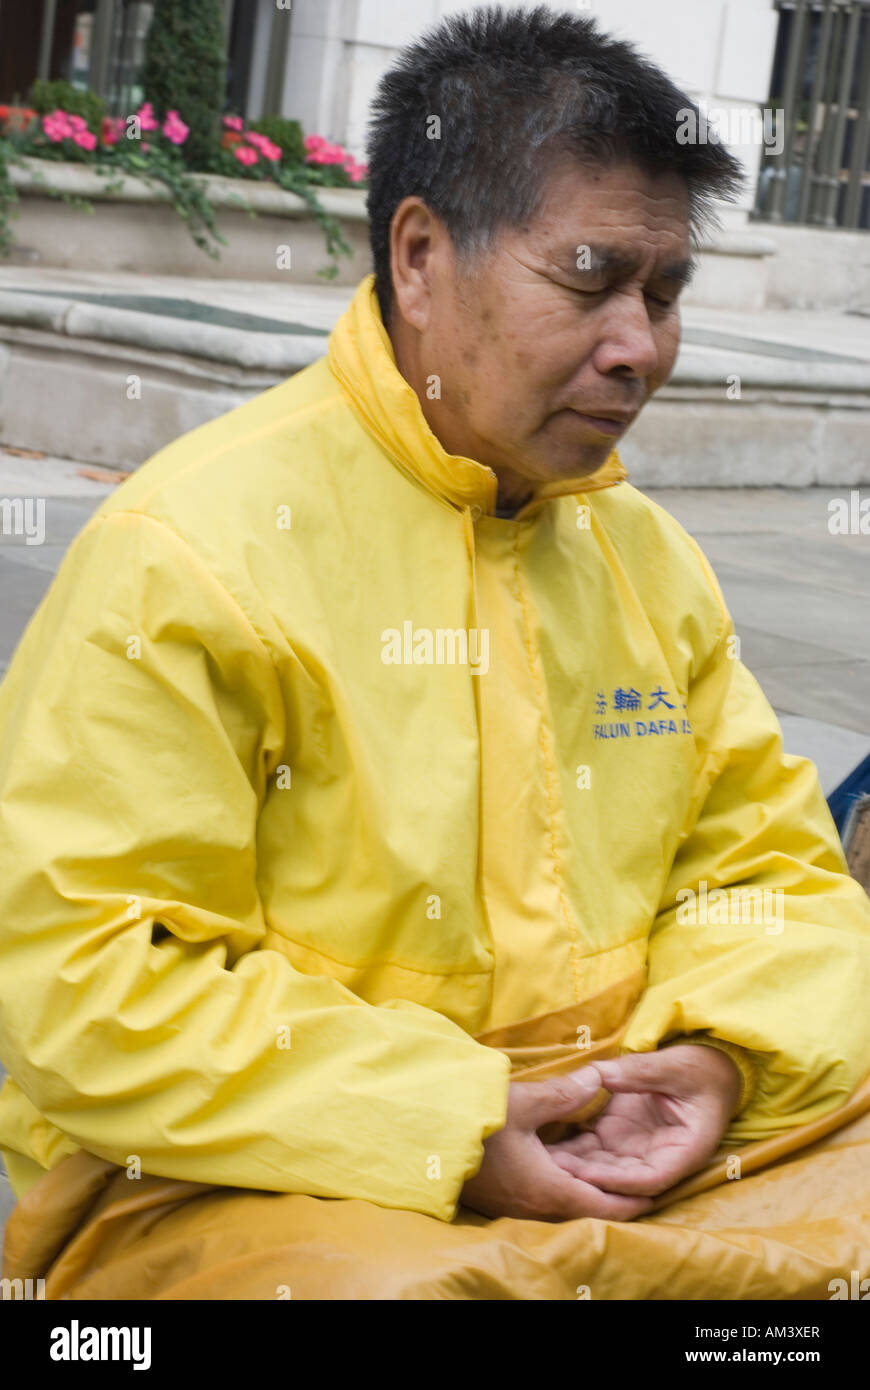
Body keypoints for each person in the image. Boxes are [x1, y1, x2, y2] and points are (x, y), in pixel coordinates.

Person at [2, 5, 870, 1300]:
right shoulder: (187, 555)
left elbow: (776, 884)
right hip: (265, 1173)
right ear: (418, 255)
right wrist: (452, 1122)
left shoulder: (648, 564)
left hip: (625, 1142)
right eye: (588, 279)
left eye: (665, 292)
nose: (638, 347)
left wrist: (719, 1058)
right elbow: (82, 983)